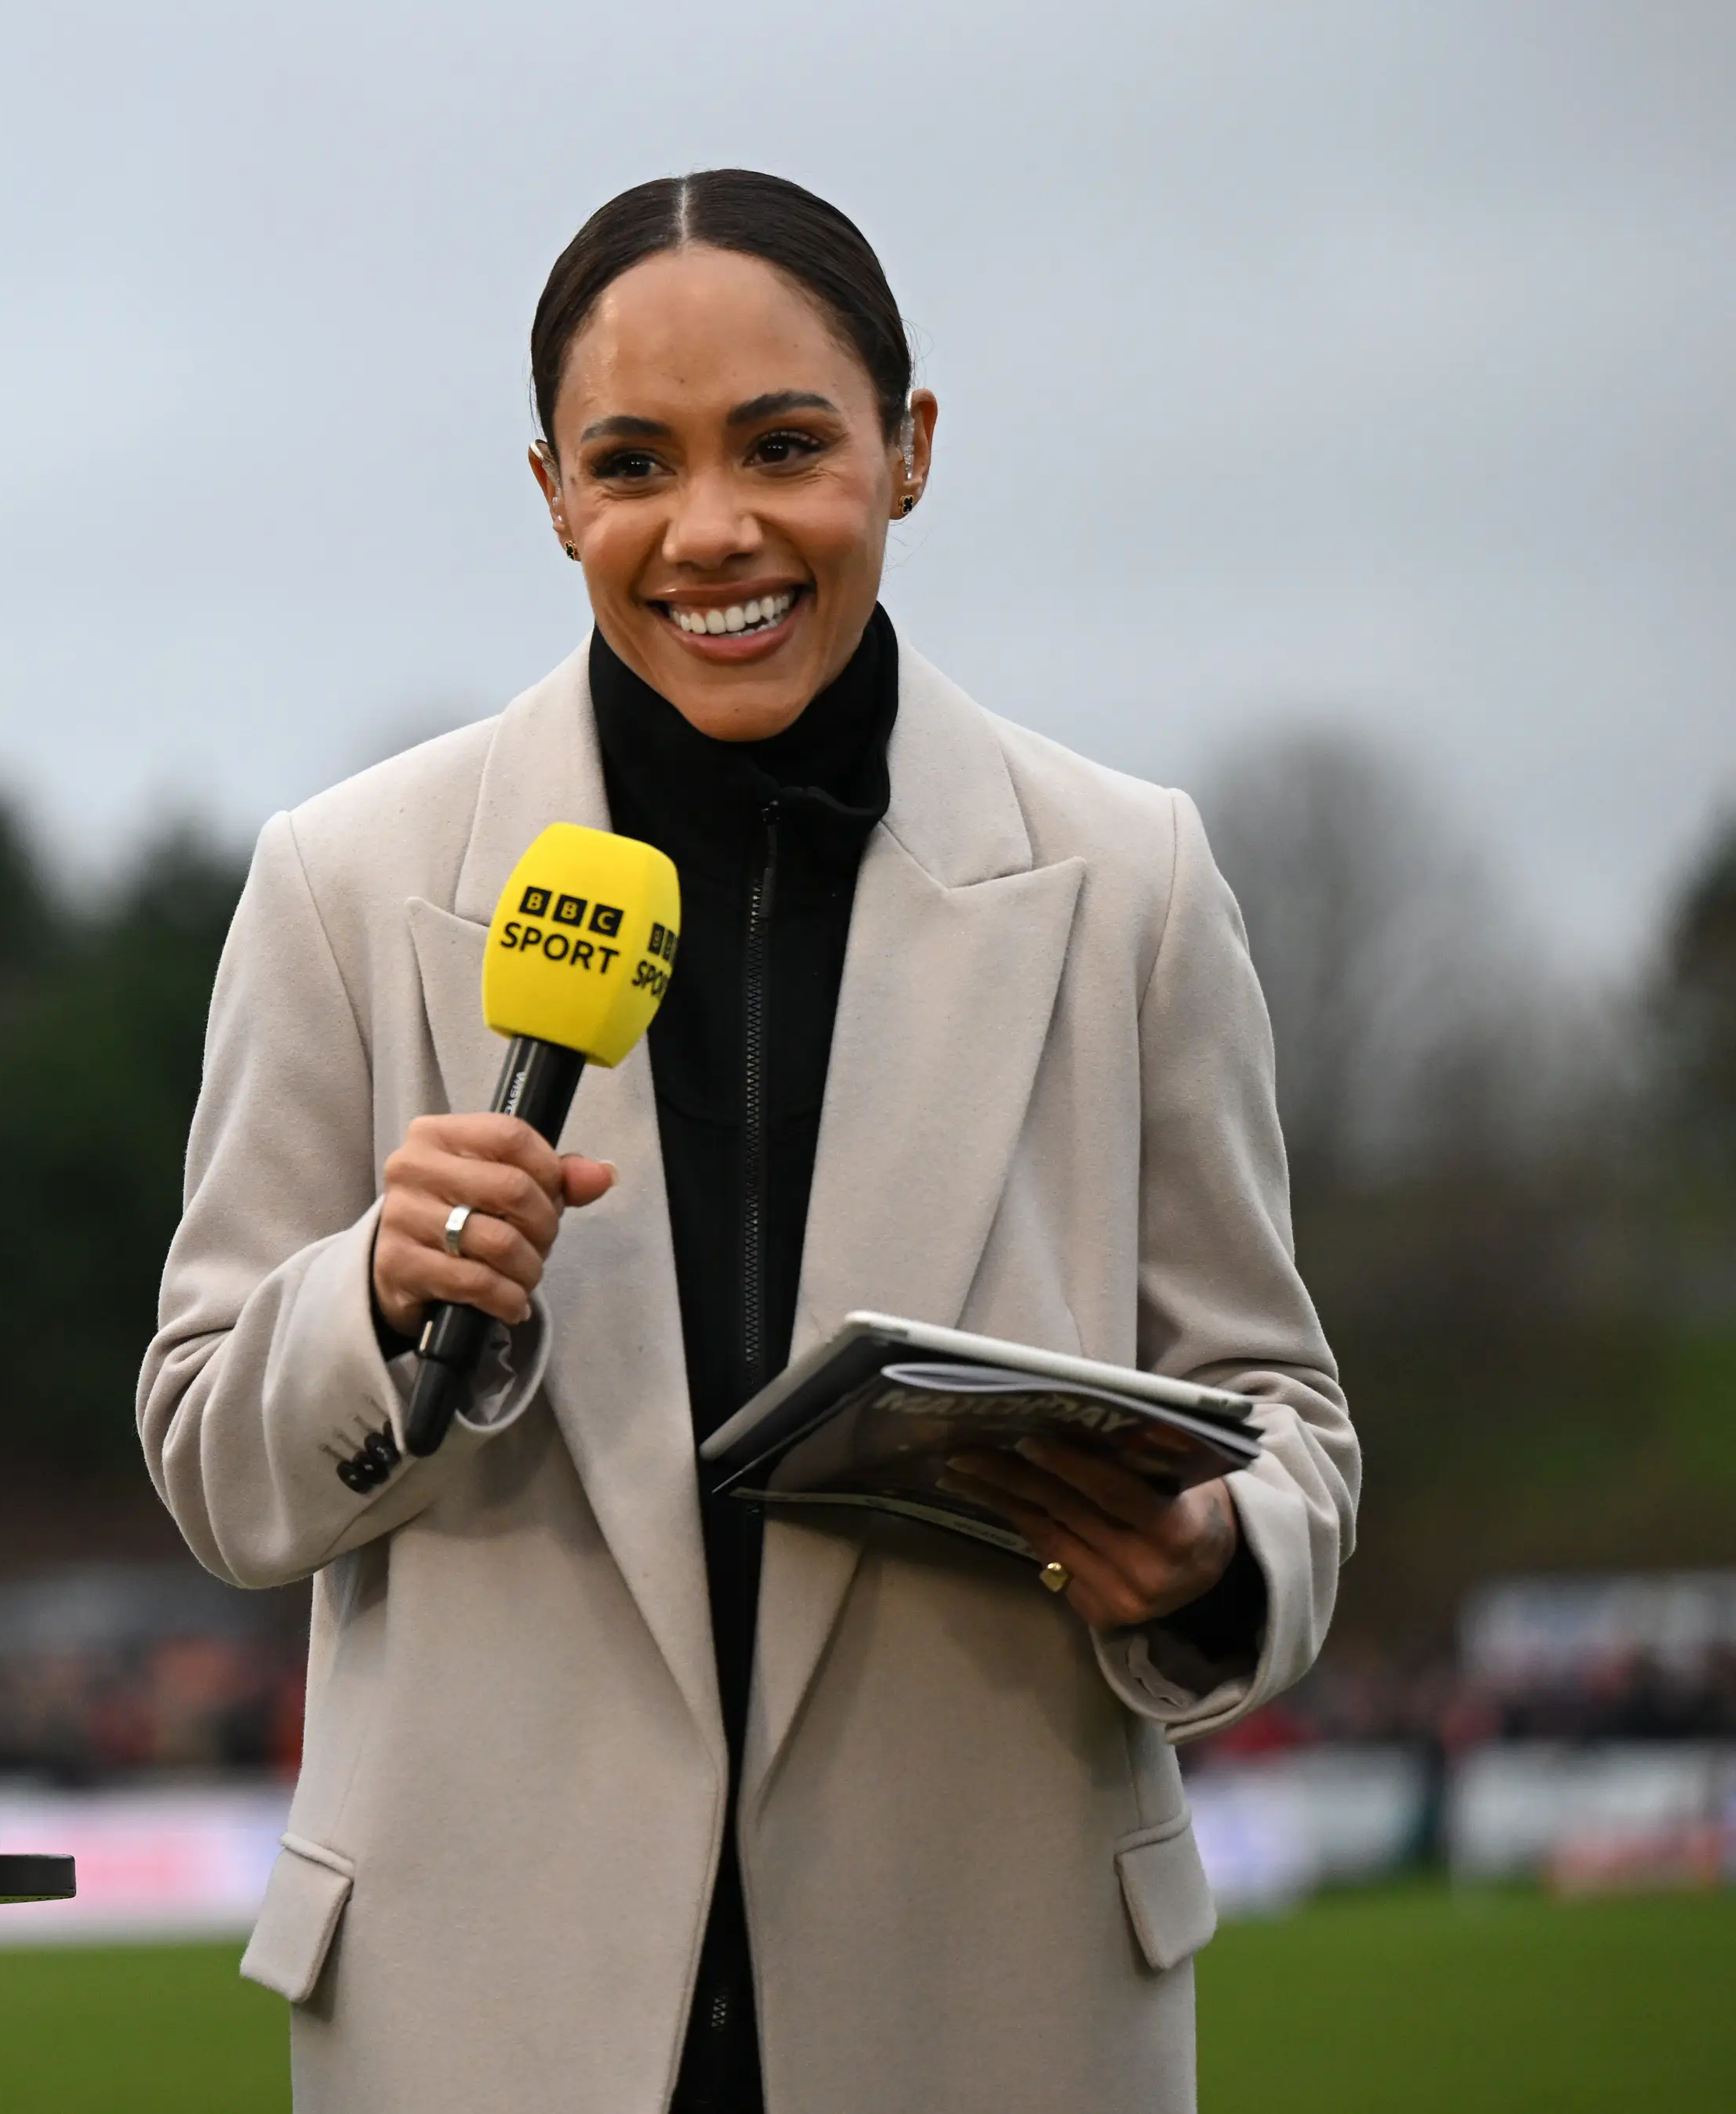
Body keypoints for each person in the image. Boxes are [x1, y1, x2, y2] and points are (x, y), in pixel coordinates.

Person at [136, 170, 1359, 2114]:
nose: (713, 531)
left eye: (785, 446)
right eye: (634, 462)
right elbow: (214, 1461)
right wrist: (370, 1295)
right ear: (551, 490)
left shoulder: (1130, 882)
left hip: (992, 2002)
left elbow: (1282, 1412)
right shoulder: (340, 882)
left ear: (910, 448)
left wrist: (1212, 1554)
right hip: (482, 2018)